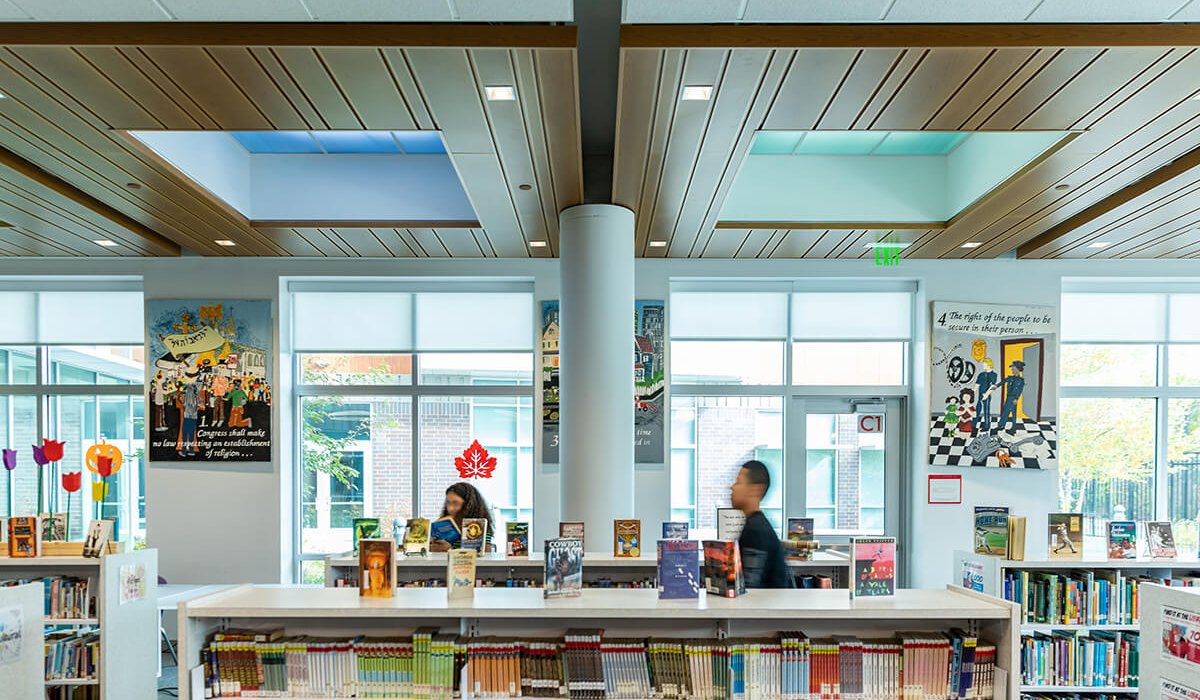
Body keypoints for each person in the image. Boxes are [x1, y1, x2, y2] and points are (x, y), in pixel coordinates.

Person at [729, 460, 792, 589]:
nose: (732, 487)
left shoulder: (755, 531)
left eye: (738, 482)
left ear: (756, 489)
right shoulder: (756, 524)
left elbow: (749, 586)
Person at [430, 482, 495, 552]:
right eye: (448, 503)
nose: (450, 508)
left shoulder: (479, 526)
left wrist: (450, 550)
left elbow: (485, 557)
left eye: (456, 503)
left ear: (469, 505)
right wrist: (432, 547)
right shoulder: (443, 524)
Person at [995, 360, 1026, 435]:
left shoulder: (1021, 380)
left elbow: (1019, 390)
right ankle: (1001, 425)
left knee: (1013, 413)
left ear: (1018, 369)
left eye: (1014, 369)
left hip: (1013, 398)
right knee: (1005, 411)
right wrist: (996, 386)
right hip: (1008, 397)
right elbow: (1002, 382)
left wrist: (1016, 398)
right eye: (1012, 369)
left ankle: (1013, 428)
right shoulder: (1010, 378)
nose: (1012, 370)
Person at [974, 358, 998, 432]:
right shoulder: (981, 375)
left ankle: (987, 426)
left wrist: (987, 394)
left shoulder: (994, 375)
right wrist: (971, 393)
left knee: (986, 411)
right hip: (980, 395)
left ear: (988, 365)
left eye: (984, 364)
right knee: (977, 410)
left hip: (986, 396)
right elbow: (977, 385)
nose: (983, 365)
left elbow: (993, 386)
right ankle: (973, 425)